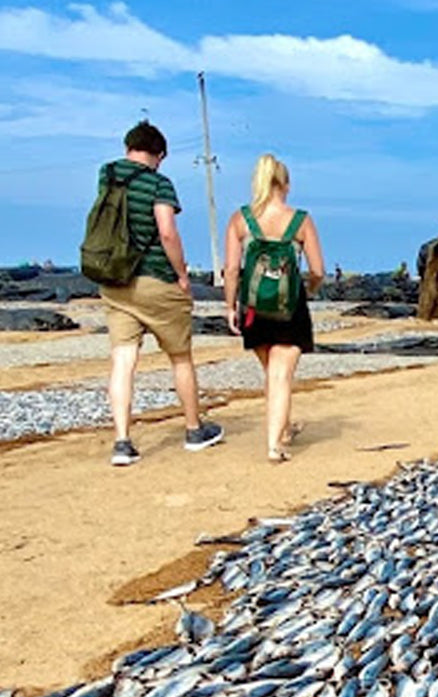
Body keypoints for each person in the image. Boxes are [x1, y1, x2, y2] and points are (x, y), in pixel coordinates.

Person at [97, 121, 223, 466]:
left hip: (114, 281)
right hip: (154, 280)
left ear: (128, 147)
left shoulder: (106, 176)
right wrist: (182, 276)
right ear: (160, 154)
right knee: (180, 357)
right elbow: (167, 232)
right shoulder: (158, 183)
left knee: (123, 360)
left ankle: (122, 442)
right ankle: (194, 430)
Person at [223, 154, 325, 463]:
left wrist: (230, 306)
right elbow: (318, 270)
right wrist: (309, 289)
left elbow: (231, 269)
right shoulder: (301, 220)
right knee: (281, 375)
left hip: (254, 308)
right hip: (288, 307)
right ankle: (274, 445)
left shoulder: (241, 220)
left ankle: (284, 428)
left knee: (272, 372)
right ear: (286, 185)